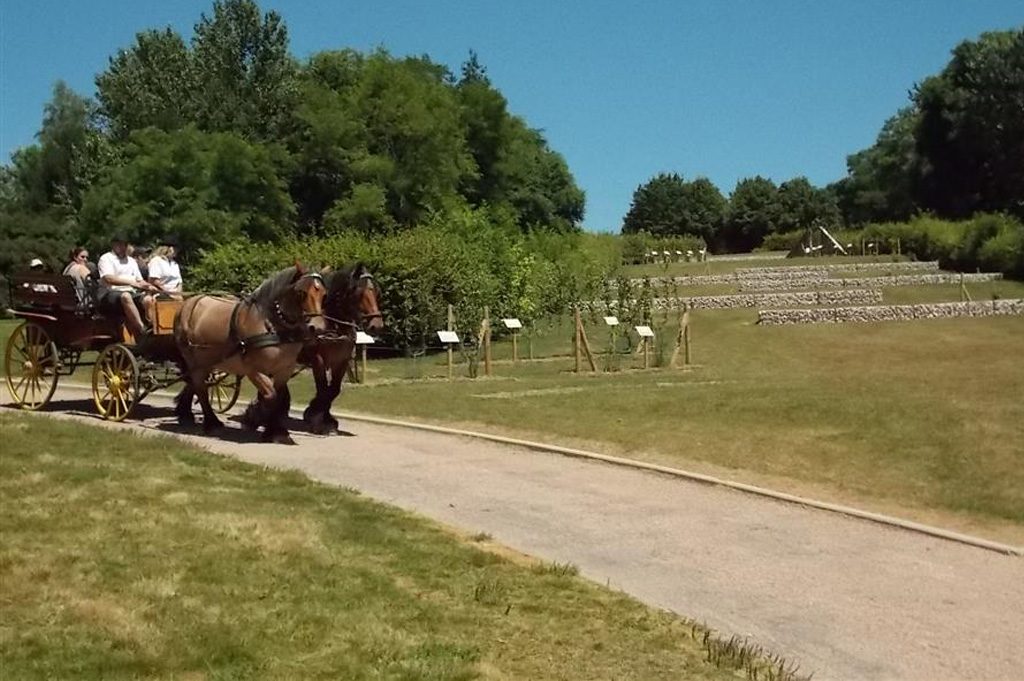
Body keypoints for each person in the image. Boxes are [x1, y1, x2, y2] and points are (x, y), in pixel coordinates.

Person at [97, 234, 157, 336]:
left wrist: (149, 286)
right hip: (110, 294)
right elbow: (108, 278)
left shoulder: (132, 261)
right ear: (114, 245)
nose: (123, 247)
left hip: (131, 291)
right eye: (120, 245)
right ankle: (141, 328)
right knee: (126, 296)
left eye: (125, 245)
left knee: (148, 299)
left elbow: (139, 280)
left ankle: (152, 326)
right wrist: (132, 283)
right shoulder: (106, 258)